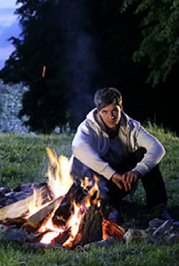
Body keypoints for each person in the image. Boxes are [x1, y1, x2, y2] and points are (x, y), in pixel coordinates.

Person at [71, 87, 172, 222]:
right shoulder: (88, 127)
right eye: (105, 112)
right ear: (98, 112)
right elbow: (78, 147)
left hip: (122, 181)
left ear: (121, 108)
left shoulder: (132, 127)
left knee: (144, 153)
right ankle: (106, 208)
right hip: (94, 185)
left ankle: (157, 210)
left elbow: (157, 148)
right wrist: (111, 174)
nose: (111, 116)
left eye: (114, 111)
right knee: (80, 160)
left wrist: (138, 171)